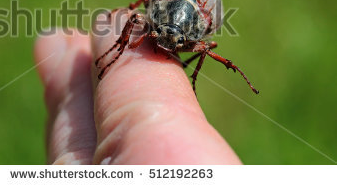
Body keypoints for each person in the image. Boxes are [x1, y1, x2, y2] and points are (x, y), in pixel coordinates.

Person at [34, 11, 241, 164]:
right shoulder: (154, 19)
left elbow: (206, 47)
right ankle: (118, 47)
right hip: (167, 11)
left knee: (205, 47)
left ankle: (193, 74)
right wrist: (119, 48)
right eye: (160, 34)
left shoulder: (192, 35)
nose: (163, 45)